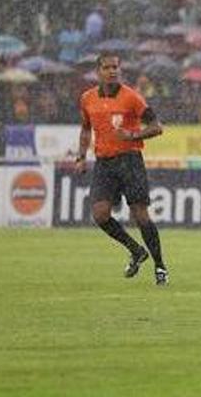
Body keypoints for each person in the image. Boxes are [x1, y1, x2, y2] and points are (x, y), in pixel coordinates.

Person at [71, 53, 168, 285]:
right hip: (104, 163)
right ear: (98, 71)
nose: (112, 71)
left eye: (115, 67)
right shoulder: (87, 99)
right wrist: (81, 157)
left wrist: (133, 135)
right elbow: (86, 129)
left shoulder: (132, 98)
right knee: (100, 214)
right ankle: (136, 250)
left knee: (140, 215)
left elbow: (157, 127)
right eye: (107, 67)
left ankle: (160, 266)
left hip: (130, 160)